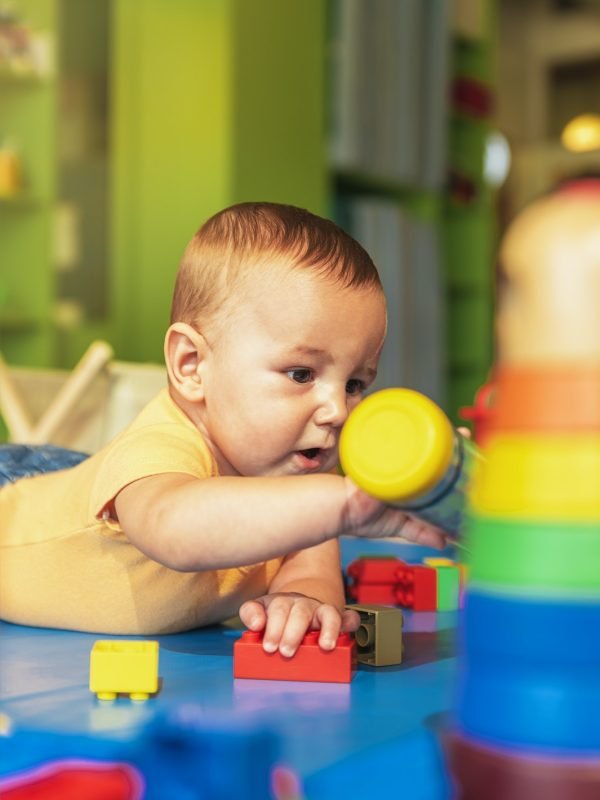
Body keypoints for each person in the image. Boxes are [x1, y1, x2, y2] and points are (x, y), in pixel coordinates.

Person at [0, 202, 445, 655]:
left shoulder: (300, 478)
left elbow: (311, 567)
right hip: (16, 498)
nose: (337, 410)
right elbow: (173, 527)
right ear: (192, 366)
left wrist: (302, 599)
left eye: (354, 384)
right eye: (301, 374)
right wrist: (349, 506)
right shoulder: (161, 447)